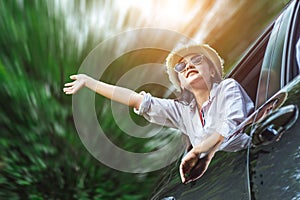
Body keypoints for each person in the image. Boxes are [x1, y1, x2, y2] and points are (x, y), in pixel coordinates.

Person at [63, 43, 254, 184]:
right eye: (181, 66)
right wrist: (90, 82)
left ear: (212, 71)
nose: (188, 66)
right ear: (180, 82)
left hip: (253, 160)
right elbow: (136, 99)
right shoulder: (183, 112)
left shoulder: (227, 88)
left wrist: (198, 151)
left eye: (197, 60)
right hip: (224, 179)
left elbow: (232, 125)